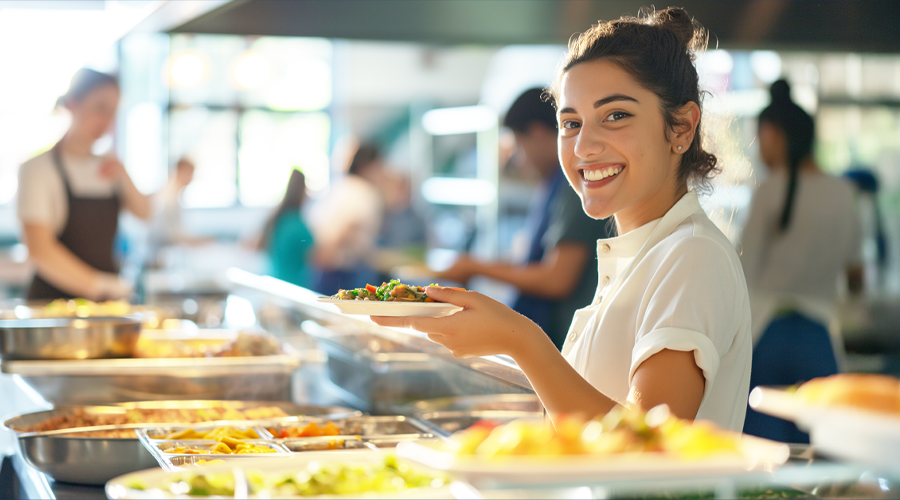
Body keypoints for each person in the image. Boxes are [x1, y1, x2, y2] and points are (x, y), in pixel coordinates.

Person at [373, 8, 752, 431]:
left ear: (681, 128)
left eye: (616, 116)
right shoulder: (643, 255)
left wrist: (519, 340)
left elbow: (647, 446)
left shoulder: (692, 255)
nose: (585, 146)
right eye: (571, 123)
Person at [439, 88, 615, 349]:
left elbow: (557, 279)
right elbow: (536, 261)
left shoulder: (574, 187)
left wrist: (476, 268)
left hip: (571, 340)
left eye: (519, 147)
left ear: (538, 133)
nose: (520, 161)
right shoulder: (552, 186)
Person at [739, 80, 863, 442]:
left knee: (763, 457)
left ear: (775, 135)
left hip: (765, 336)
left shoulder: (768, 191)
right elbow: (856, 276)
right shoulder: (844, 193)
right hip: (820, 338)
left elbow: (741, 272)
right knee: (820, 455)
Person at [17, 68, 151, 301]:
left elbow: (144, 213)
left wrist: (125, 176)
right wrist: (102, 285)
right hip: (53, 307)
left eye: (113, 112)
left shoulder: (110, 168)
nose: (107, 121)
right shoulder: (37, 169)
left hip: (105, 308)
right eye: (100, 108)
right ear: (72, 104)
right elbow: (39, 250)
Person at [307, 144, 384, 294]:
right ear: (368, 166)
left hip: (326, 265)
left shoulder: (340, 184)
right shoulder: (363, 190)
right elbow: (350, 226)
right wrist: (329, 252)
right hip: (341, 268)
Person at [259, 169, 316, 289]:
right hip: (293, 290)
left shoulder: (278, 220)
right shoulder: (296, 224)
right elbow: (320, 258)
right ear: (302, 192)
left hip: (274, 286)